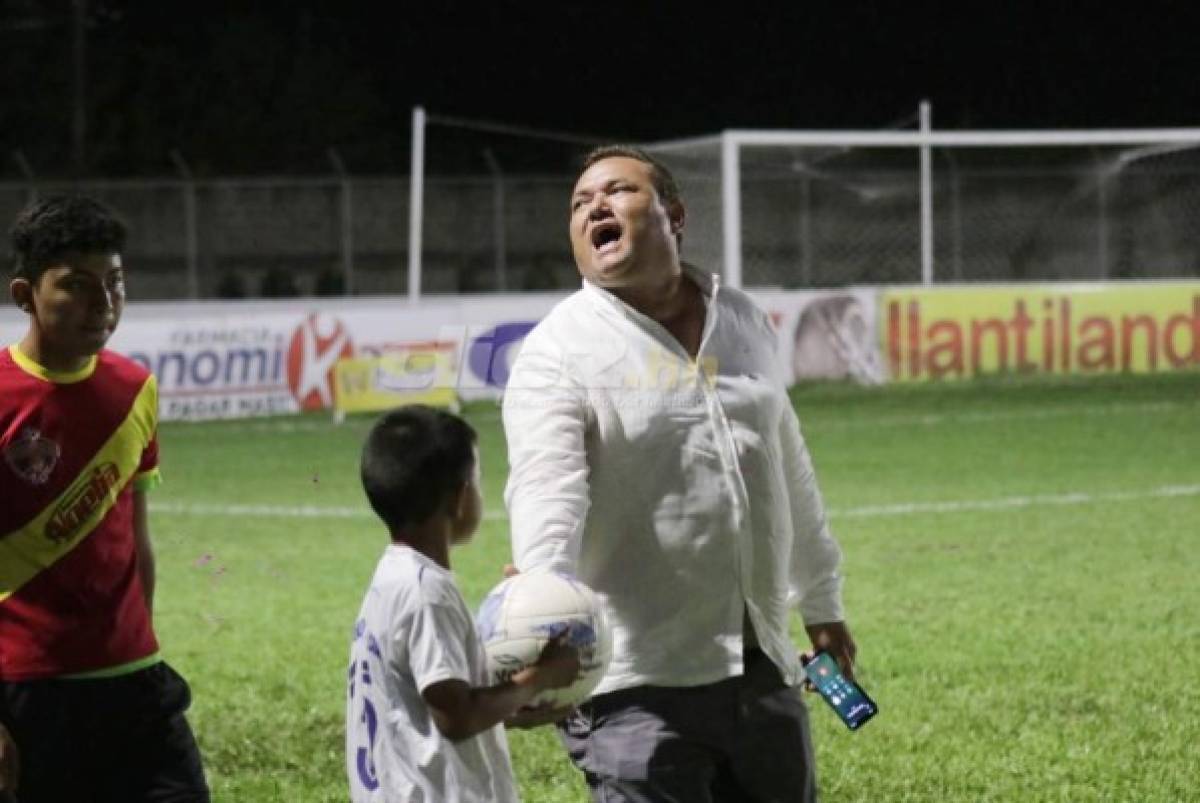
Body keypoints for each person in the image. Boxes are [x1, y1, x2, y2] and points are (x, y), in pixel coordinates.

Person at [501, 146, 859, 802]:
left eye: (616, 192)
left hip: (760, 672)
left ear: (674, 213)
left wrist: (822, 601)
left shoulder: (743, 319)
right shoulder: (557, 350)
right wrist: (543, 617)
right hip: (636, 691)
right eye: (580, 204)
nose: (593, 208)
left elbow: (787, 464)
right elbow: (547, 490)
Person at [0, 196, 209, 802]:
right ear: (25, 295)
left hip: (135, 682)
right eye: (78, 285)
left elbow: (133, 535)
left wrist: (137, 638)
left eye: (114, 282)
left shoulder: (134, 388)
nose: (104, 302)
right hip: (30, 690)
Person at [346, 405, 581, 803]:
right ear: (458, 499)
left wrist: (514, 701)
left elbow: (424, 709)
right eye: (477, 480)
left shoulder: (393, 578)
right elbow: (457, 717)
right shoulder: (427, 592)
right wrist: (541, 677)